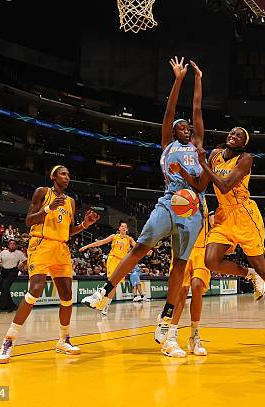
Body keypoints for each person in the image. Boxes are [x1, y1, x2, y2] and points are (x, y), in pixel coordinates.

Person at [81, 58, 234, 343]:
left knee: (180, 264)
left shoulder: (199, 148)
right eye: (181, 126)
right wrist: (179, 78)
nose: (186, 128)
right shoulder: (167, 144)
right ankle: (104, 293)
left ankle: (165, 321)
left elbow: (198, 112)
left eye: (188, 127)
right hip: (169, 201)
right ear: (172, 131)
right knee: (141, 246)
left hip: (194, 209)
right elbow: (170, 110)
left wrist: (198, 79)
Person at [175, 126, 265, 340]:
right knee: (211, 261)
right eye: (232, 133)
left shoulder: (246, 159)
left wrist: (203, 164)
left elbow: (225, 186)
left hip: (245, 216)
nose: (233, 136)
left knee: (263, 269)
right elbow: (201, 184)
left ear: (244, 143)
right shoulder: (216, 155)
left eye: (239, 136)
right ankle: (248, 274)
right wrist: (183, 173)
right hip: (224, 216)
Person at [0, 165, 100, 364]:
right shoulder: (42, 192)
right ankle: (8, 341)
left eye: (69, 174)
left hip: (61, 248)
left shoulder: (70, 201)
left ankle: (63, 339)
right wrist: (47, 208)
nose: (67, 177)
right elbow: (28, 221)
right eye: (63, 174)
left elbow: (68, 232)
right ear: (53, 177)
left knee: (67, 295)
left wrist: (85, 225)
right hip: (41, 244)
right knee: (35, 290)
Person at [161, 210, 215, 357]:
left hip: (201, 249)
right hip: (182, 247)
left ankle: (194, 337)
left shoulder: (204, 198)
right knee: (182, 290)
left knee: (197, 286)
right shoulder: (179, 191)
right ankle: (170, 338)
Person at [79, 222, 136, 316]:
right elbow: (101, 242)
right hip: (113, 260)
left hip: (122, 263)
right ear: (119, 228)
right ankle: (99, 303)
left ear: (127, 230)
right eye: (122, 226)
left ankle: (104, 306)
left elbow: (137, 247)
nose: (123, 228)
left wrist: (147, 251)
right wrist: (87, 246)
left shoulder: (129, 239)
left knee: (114, 285)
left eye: (125, 227)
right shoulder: (114, 236)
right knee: (111, 281)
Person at [0, 240, 27, 312]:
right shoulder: (3, 252)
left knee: (5, 287)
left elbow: (25, 261)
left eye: (14, 244)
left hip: (13, 271)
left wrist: (21, 265)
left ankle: (0, 307)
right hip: (3, 271)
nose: (12, 245)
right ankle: (12, 306)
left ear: (16, 246)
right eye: (11, 244)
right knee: (4, 289)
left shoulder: (19, 253)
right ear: (8, 245)